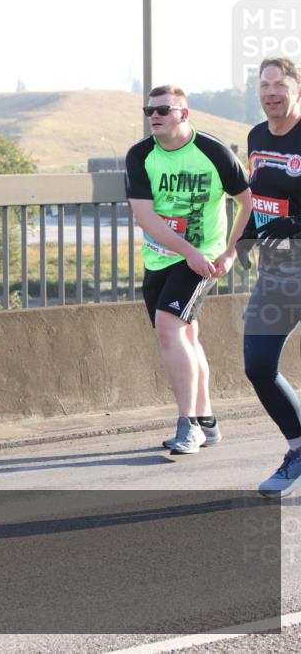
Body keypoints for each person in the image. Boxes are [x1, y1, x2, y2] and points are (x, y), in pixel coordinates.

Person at [125, 85, 252, 455]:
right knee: (186, 337)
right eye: (150, 109)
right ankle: (208, 420)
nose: (155, 116)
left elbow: (247, 203)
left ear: (184, 113)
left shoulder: (213, 153)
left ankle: (189, 425)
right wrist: (185, 251)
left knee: (169, 328)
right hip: (160, 257)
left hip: (204, 256)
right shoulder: (140, 155)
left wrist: (229, 253)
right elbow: (145, 216)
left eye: (164, 109)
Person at [236, 58, 301, 498]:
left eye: (280, 84)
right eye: (264, 85)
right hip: (278, 272)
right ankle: (298, 448)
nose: (271, 92)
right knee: (258, 365)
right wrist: (246, 235)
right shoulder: (257, 136)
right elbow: (262, 198)